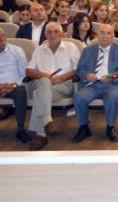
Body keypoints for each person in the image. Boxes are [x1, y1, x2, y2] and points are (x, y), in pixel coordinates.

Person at [72, 24, 118, 143]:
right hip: (92, 84)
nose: (105, 36)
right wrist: (87, 75)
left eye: (108, 33)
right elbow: (80, 69)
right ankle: (84, 128)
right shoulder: (88, 50)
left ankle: (110, 127)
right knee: (79, 98)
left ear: (113, 36)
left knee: (113, 97)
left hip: (112, 85)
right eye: (102, 33)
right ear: (98, 35)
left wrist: (111, 76)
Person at [24, 22, 80, 150]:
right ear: (45, 35)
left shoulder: (71, 47)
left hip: (63, 84)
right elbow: (29, 71)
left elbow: (78, 69)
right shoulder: (39, 49)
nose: (53, 34)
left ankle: (41, 134)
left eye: (56, 32)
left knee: (40, 96)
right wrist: (44, 76)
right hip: (41, 84)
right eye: (49, 32)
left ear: (62, 34)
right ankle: (46, 122)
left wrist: (62, 77)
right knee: (44, 83)